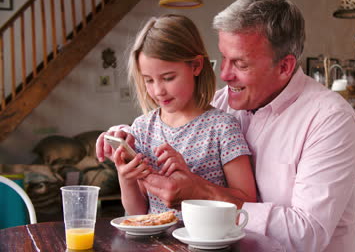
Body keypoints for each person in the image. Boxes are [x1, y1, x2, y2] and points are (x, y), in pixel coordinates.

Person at [97, 0, 355, 251]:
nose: (224, 74)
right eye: (223, 57)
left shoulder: (329, 120)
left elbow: (306, 236)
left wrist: (200, 193)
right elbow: (174, 116)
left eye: (240, 64)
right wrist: (123, 134)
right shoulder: (223, 104)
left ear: (284, 67)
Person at [99, 14, 256, 216]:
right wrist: (126, 177)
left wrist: (192, 182)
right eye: (148, 80)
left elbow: (248, 204)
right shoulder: (142, 128)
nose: (158, 91)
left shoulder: (223, 127)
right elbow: (136, 212)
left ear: (196, 66)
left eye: (168, 78)